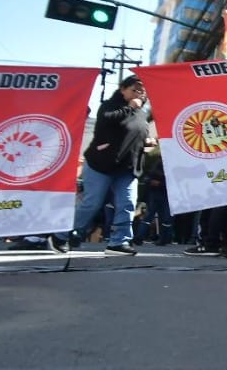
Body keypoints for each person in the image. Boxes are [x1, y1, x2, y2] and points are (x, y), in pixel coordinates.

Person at [57, 74, 154, 255]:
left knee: (127, 203)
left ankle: (119, 242)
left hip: (128, 167)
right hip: (101, 165)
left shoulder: (142, 114)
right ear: (122, 90)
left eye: (142, 91)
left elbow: (133, 135)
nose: (139, 94)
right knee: (92, 204)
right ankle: (61, 236)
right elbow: (109, 121)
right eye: (135, 89)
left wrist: (147, 141)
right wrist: (131, 107)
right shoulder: (110, 106)